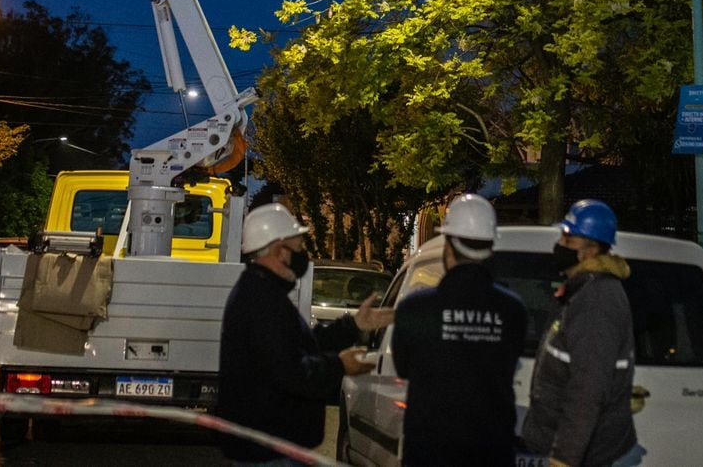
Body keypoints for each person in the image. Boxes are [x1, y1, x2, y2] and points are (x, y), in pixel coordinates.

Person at [214, 203, 392, 465]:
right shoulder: (262, 300)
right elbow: (290, 371)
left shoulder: (262, 292)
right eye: (297, 248)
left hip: (270, 446)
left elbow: (300, 345)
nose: (302, 256)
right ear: (279, 250)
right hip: (270, 451)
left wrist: (353, 325)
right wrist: (340, 365)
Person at [391, 194, 527, 467]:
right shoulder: (513, 310)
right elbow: (508, 363)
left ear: (448, 245)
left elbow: (403, 367)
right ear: (490, 247)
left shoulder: (415, 308)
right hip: (492, 452)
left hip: (430, 452)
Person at [521, 199, 640, 467]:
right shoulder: (583, 290)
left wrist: (564, 459)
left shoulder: (596, 302)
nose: (560, 244)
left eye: (568, 238)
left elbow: (587, 392)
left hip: (586, 456)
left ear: (591, 248)